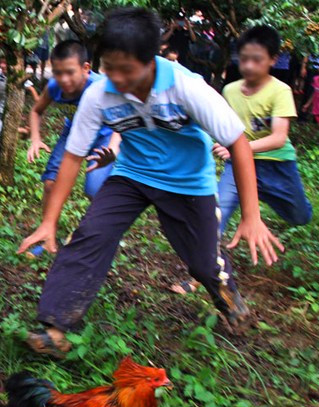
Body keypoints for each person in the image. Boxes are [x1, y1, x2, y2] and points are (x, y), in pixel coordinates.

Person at [18, 8, 284, 357]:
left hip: (188, 183)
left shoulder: (185, 87)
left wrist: (251, 216)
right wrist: (49, 222)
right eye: (108, 69)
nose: (117, 79)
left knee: (203, 263)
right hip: (132, 175)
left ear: (152, 60)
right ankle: (55, 327)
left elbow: (237, 143)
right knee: (91, 236)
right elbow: (72, 156)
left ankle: (229, 297)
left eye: (126, 70)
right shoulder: (100, 95)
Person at [171, 25, 312, 295]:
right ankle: (201, 274)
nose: (248, 65)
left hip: (277, 166)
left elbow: (279, 138)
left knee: (300, 216)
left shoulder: (280, 91)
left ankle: (260, 201)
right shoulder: (231, 90)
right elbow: (223, 129)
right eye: (243, 59)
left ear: (272, 59)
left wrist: (240, 147)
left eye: (256, 59)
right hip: (237, 166)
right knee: (215, 217)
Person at [27, 41, 118, 219]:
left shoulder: (101, 87)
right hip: (73, 133)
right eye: (58, 73)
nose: (64, 79)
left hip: (104, 135)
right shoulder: (54, 87)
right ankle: (46, 231)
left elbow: (122, 121)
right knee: (50, 184)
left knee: (94, 190)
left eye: (70, 72)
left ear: (85, 68)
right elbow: (36, 111)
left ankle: (93, 231)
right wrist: (35, 138)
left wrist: (113, 148)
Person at [0, 60, 40, 161]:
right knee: (6, 130)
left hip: (13, 110)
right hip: (2, 109)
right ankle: (24, 131)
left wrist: (38, 100)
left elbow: (31, 88)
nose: (2, 65)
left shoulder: (19, 76)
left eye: (5, 63)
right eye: (1, 63)